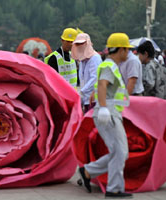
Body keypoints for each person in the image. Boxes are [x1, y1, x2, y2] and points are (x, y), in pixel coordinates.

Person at [78, 33, 133, 198]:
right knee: (120, 152)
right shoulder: (109, 66)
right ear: (121, 49)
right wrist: (102, 108)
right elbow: (102, 85)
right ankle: (113, 188)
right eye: (127, 50)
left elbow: (101, 89)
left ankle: (88, 171)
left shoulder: (110, 66)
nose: (128, 53)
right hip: (108, 113)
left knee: (119, 152)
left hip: (110, 112)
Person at [71, 33, 102, 112]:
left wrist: (81, 91)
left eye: (81, 43)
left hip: (94, 99)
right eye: (77, 44)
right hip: (85, 99)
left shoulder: (95, 58)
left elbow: (95, 78)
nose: (79, 46)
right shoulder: (82, 60)